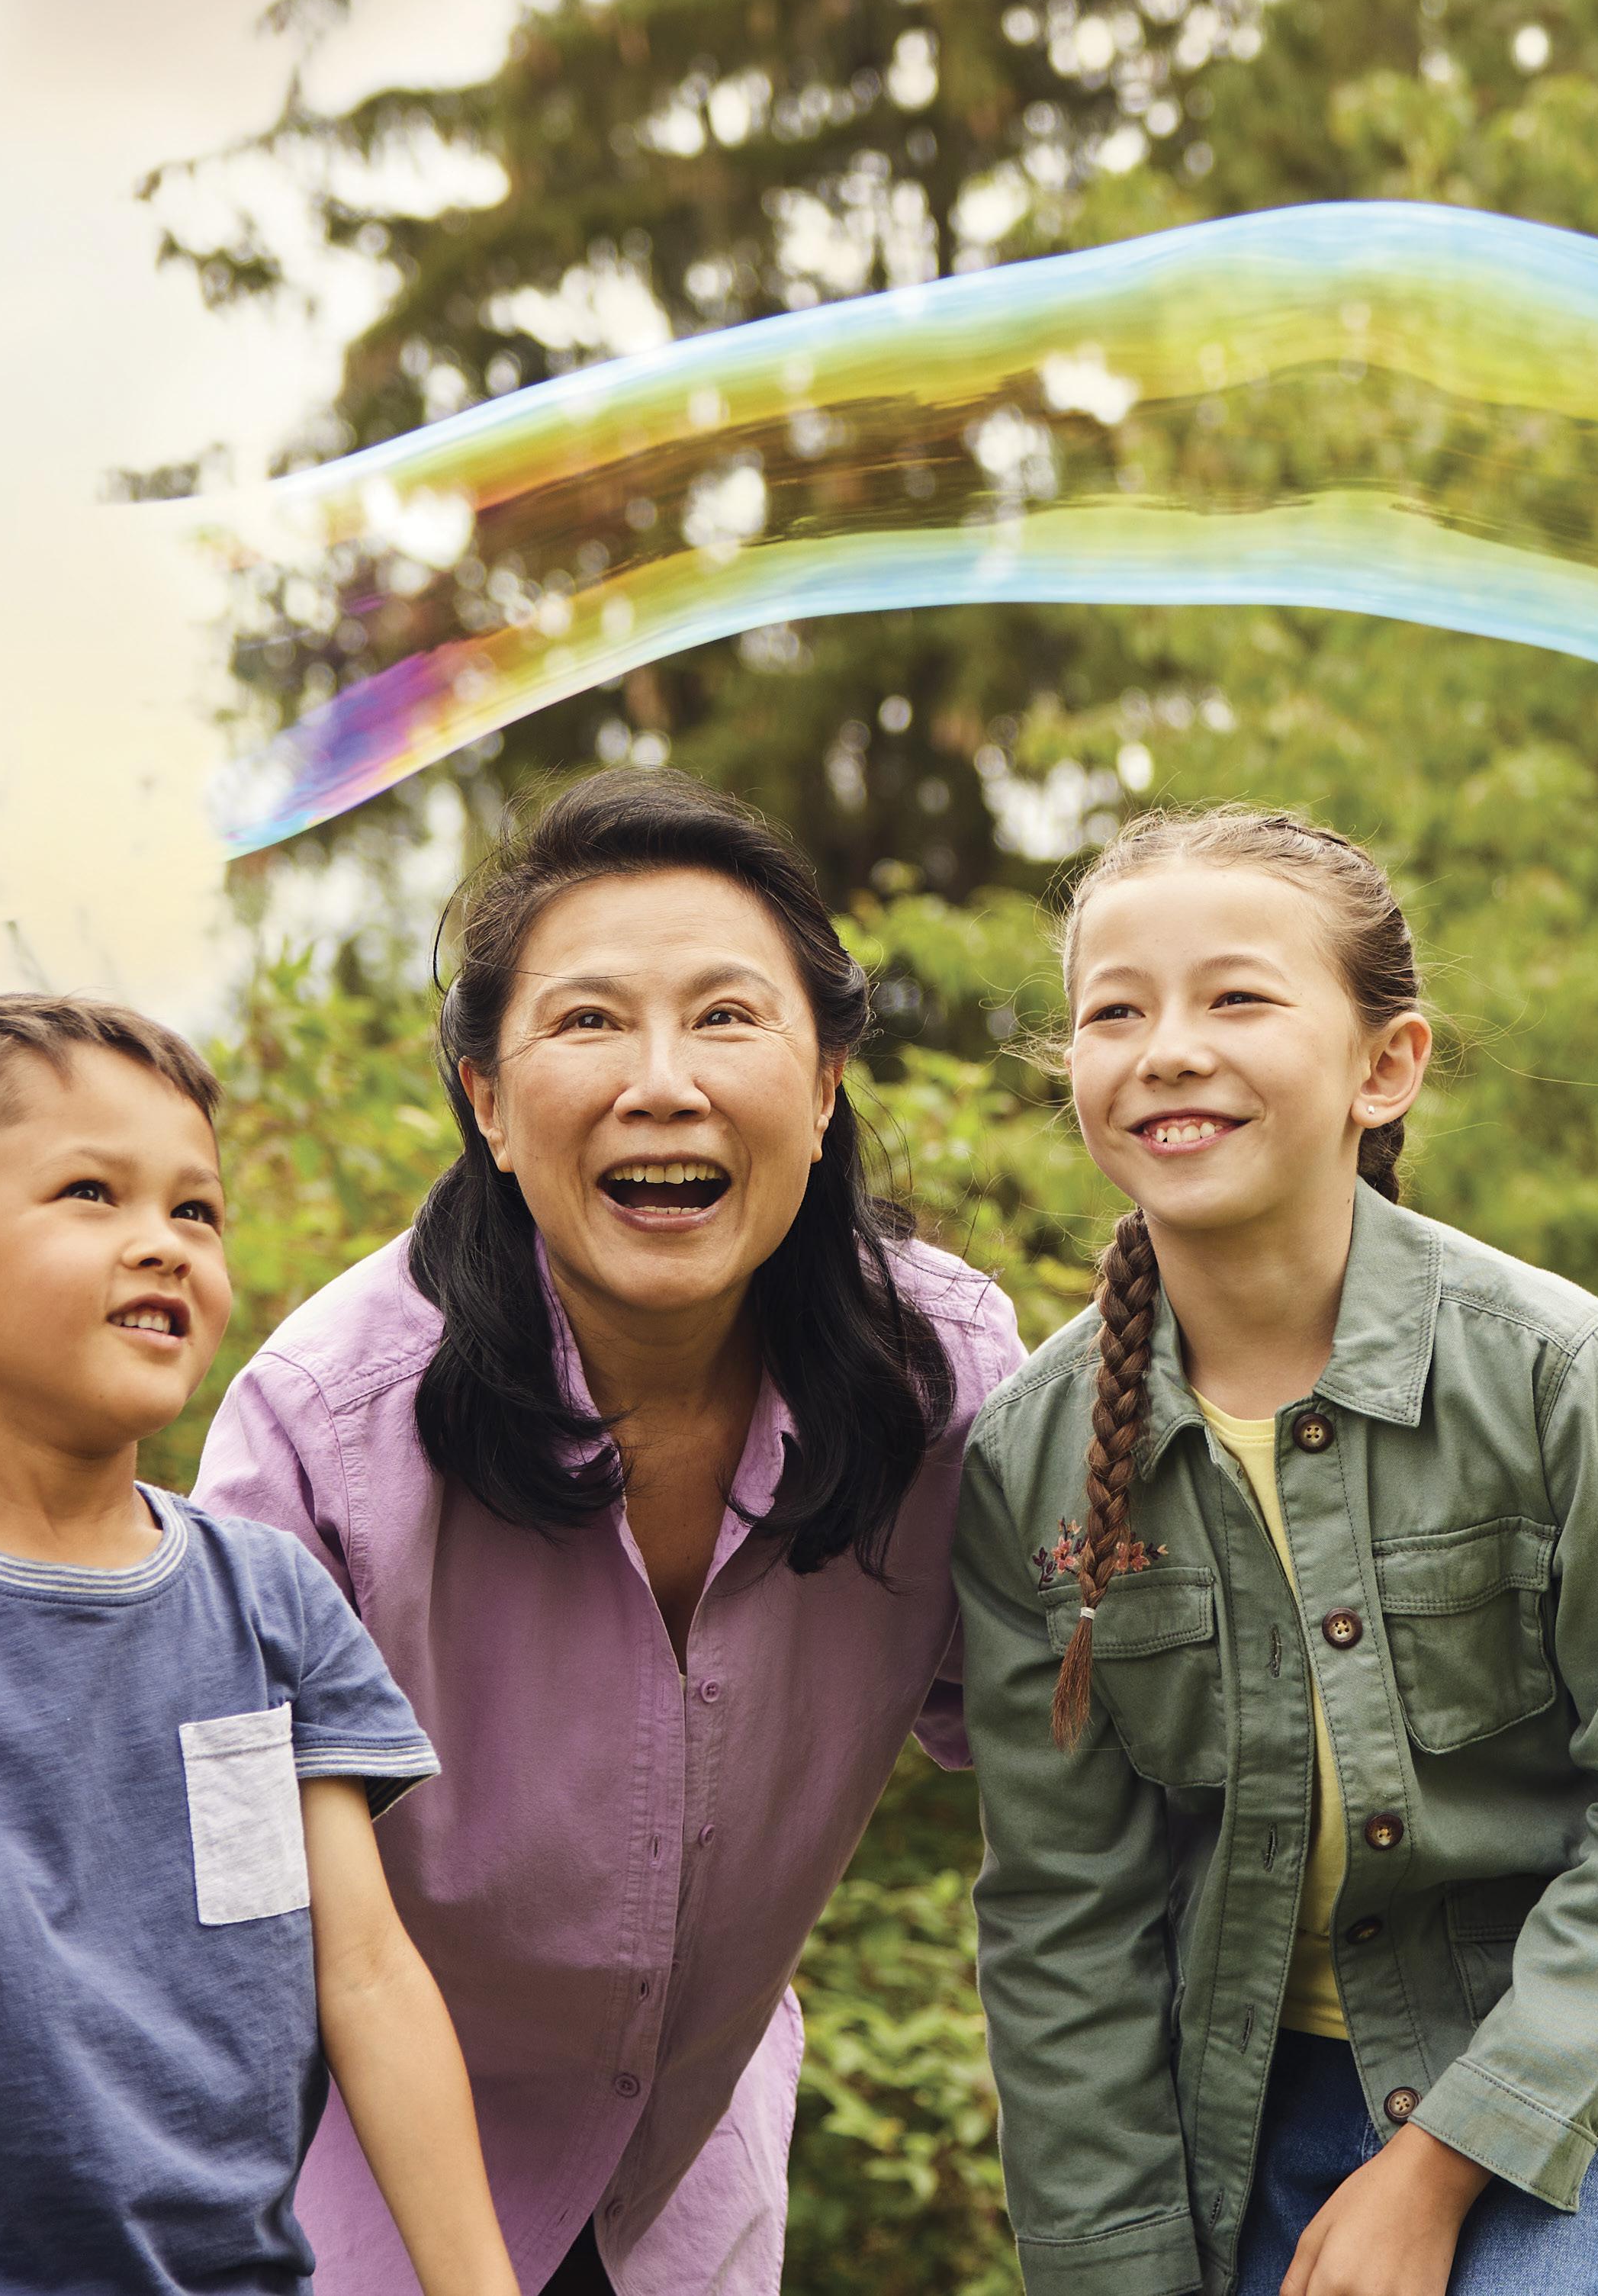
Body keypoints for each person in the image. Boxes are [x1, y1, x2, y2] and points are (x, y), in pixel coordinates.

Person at [192, 770, 1030, 2293]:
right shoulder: (320, 1427)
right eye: (587, 1020)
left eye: (726, 1016)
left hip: (686, 2196)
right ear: (488, 1103)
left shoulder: (947, 1381)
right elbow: (208, 1869)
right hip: (338, 2200)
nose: (663, 1082)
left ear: (825, 1083)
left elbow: (1091, 1753)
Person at [956, 806, 1598, 2296]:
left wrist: (1439, 2166)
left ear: (1384, 1067)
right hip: (1231, 2101)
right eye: (1115, 1012)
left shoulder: (1551, 1372)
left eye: (1236, 998)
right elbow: (1066, 1916)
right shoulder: (1031, 1456)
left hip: (1537, 2075)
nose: (1167, 1049)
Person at [0, 996, 515, 2296]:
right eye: (92, 1193)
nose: (162, 1244)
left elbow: (365, 1976)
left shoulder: (272, 1598)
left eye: (196, 1209)